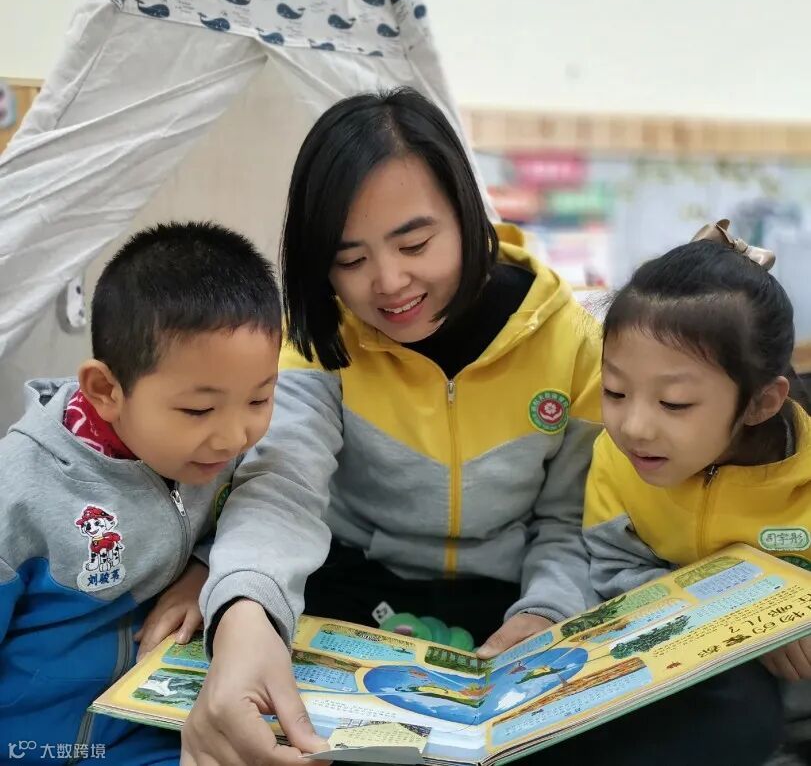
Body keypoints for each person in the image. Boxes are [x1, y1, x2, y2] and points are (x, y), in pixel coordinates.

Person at [171, 87, 604, 765]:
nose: (390, 282)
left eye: (415, 243)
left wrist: (545, 613)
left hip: (506, 602)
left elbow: (570, 520)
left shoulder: (575, 344)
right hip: (354, 591)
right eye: (350, 260)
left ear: (467, 213)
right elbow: (281, 490)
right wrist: (245, 611)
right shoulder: (318, 342)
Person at [0, 222, 282, 764]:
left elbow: (251, 519)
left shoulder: (220, 456)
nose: (233, 436)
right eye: (198, 409)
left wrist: (204, 571)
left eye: (259, 399)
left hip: (157, 737)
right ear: (106, 390)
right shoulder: (19, 492)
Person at [583, 219, 810, 763]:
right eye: (615, 391)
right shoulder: (616, 460)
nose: (634, 427)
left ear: (761, 402)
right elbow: (612, 569)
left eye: (675, 403)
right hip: (702, 704)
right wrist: (739, 612)